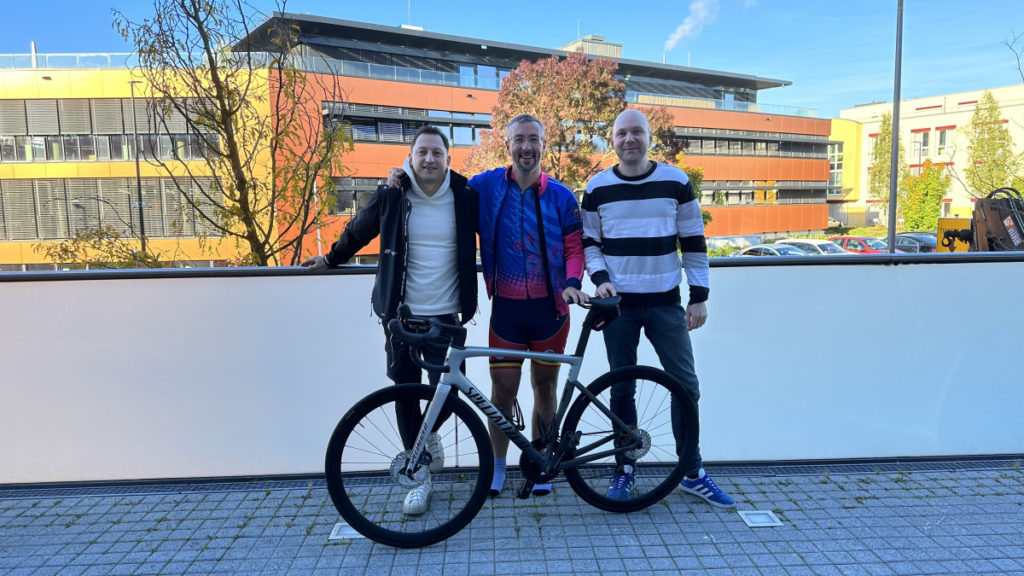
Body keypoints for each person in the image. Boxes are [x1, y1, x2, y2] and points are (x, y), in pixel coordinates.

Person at [302, 125, 478, 516]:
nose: (429, 159)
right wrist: (330, 259)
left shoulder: (465, 195)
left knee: (448, 392)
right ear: (410, 158)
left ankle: (425, 441)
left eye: (437, 153)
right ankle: (419, 476)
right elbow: (359, 229)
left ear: (448, 158)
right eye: (422, 153)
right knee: (404, 392)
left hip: (447, 313)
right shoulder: (393, 195)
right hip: (401, 315)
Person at [580, 109, 735, 508]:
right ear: (610, 140)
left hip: (666, 301)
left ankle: (691, 471)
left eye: (637, 132)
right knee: (621, 387)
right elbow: (590, 244)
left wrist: (699, 295)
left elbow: (694, 242)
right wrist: (600, 281)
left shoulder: (676, 181)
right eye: (621, 133)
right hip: (617, 305)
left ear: (649, 138)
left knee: (686, 386)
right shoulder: (596, 187)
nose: (629, 139)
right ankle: (624, 468)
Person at [471, 114, 587, 497]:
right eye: (519, 139)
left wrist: (573, 284)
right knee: (501, 392)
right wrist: (403, 172)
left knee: (545, 387)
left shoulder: (562, 196)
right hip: (505, 310)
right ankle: (499, 467)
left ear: (543, 144)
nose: (526, 147)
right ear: (507, 145)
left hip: (551, 313)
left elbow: (574, 248)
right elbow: (443, 188)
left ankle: (540, 463)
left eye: (533, 139)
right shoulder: (486, 186)